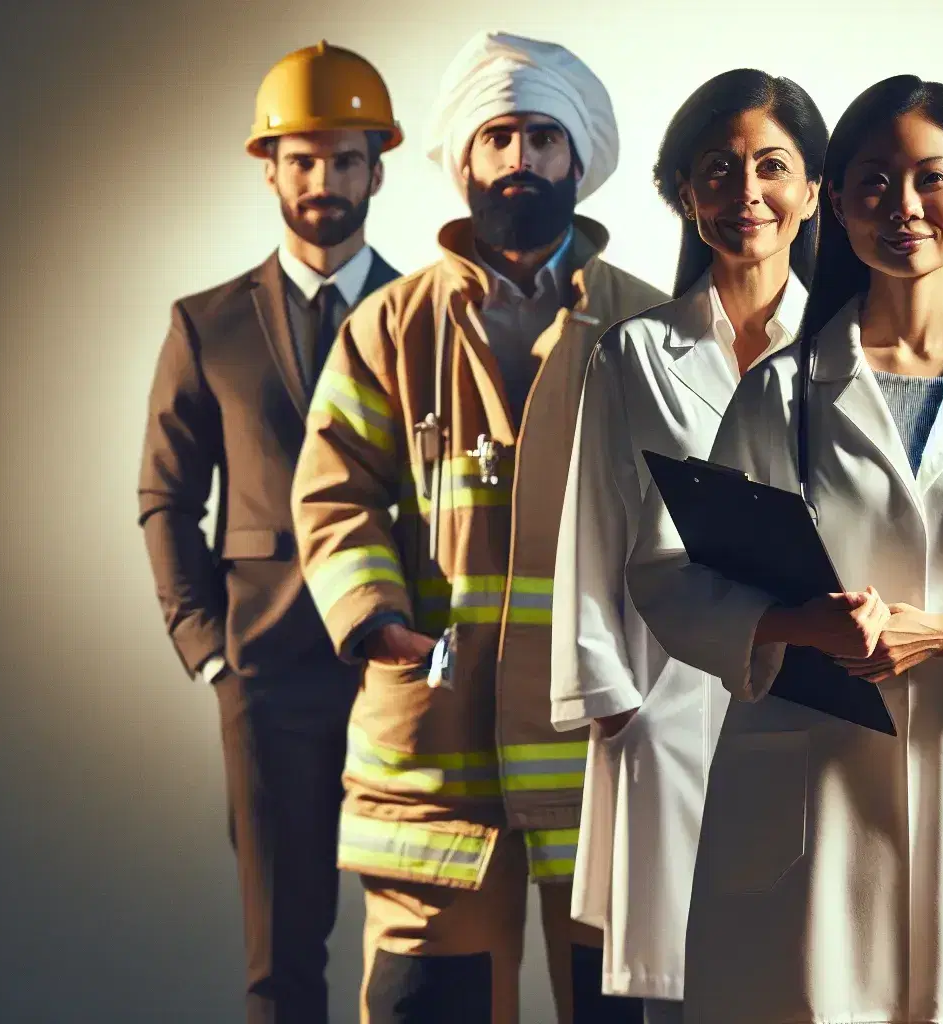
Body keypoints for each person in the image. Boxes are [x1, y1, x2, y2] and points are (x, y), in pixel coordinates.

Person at [625, 74, 943, 1024]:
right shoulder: (783, 394)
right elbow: (670, 575)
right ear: (838, 206)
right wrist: (792, 623)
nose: (903, 207)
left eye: (930, 179)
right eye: (873, 183)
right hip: (809, 787)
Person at [288, 30, 667, 1024]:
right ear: (464, 160)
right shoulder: (387, 327)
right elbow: (335, 492)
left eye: (543, 138)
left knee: (624, 1005)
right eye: (497, 138)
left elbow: (688, 522)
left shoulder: (650, 330)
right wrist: (378, 622)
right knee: (429, 1002)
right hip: (434, 746)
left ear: (577, 159)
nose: (519, 162)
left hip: (603, 740)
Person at [550, 69, 827, 1024]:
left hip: (806, 690)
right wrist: (609, 702)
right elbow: (593, 529)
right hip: (662, 705)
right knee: (676, 983)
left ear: (813, 193)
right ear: (683, 194)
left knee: (798, 967)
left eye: (773, 167)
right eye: (720, 170)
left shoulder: (846, 350)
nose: (747, 192)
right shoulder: (631, 353)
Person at [136, 40, 402, 1024]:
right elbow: (167, 494)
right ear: (269, 168)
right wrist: (209, 651)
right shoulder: (206, 324)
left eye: (343, 158)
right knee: (280, 962)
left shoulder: (429, 314)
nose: (323, 180)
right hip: (267, 671)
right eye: (302, 158)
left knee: (419, 952)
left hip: (404, 666)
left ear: (378, 165)